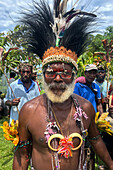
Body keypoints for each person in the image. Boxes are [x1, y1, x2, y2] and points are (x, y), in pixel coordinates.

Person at [13, 1, 113, 170]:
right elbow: (22, 154)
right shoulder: (29, 110)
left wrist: (111, 163)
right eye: (51, 73)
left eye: (65, 73)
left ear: (74, 76)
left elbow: (95, 139)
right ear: (43, 76)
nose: (58, 79)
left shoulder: (86, 107)